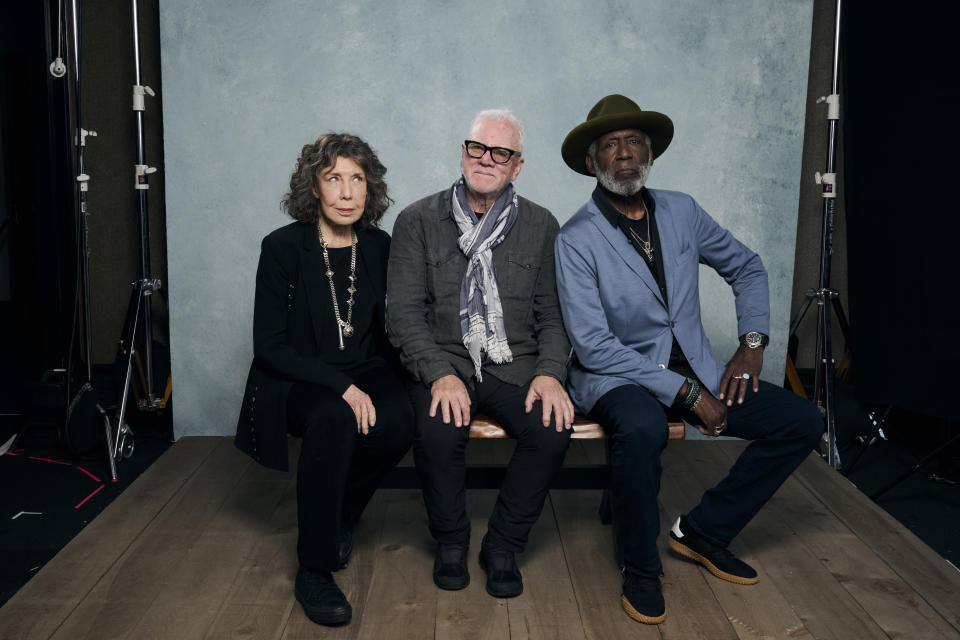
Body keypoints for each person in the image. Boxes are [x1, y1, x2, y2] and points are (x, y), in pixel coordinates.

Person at [555, 95, 823, 624]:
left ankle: (703, 531)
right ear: (592, 162)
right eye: (610, 145)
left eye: (634, 141)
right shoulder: (575, 238)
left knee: (801, 421)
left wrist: (751, 344)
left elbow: (747, 267)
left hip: (697, 367)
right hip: (617, 376)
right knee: (641, 428)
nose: (624, 153)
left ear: (649, 153)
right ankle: (640, 566)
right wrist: (686, 394)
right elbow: (592, 346)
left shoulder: (683, 210)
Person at [386, 109, 574, 598]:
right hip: (443, 361)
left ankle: (504, 546)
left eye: (501, 153)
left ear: (517, 166)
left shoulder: (541, 224)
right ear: (463, 152)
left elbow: (554, 316)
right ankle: (451, 542)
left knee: (552, 428)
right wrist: (437, 375)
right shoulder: (416, 220)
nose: (486, 159)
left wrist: (551, 373)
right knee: (436, 428)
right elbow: (403, 315)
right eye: (477, 148)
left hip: (517, 366)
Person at [235, 133, 413, 627]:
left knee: (402, 421)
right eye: (334, 178)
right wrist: (341, 387)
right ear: (314, 186)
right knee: (335, 419)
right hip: (297, 375)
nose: (347, 192)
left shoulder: (379, 245)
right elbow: (269, 346)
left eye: (357, 179)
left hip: (366, 368)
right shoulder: (282, 247)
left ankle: (338, 516)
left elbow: (388, 330)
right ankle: (314, 568)